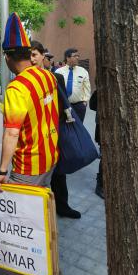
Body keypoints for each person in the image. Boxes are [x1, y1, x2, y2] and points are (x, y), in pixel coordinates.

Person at [0, 13, 60, 191]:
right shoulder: (48, 76)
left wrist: (2, 170)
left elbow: (12, 134)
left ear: (8, 57)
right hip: (50, 156)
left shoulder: (16, 88)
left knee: (23, 215)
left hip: (28, 166)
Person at [30, 40, 81, 219]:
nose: (32, 59)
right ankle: (36, 212)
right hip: (33, 138)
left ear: (43, 56)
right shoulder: (22, 79)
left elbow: (63, 104)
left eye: (35, 54)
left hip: (54, 133)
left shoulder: (55, 77)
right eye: (29, 55)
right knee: (36, 176)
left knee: (59, 174)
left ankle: (62, 206)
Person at [55, 48, 91, 122]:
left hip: (79, 106)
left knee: (79, 129)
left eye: (78, 56)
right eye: (75, 56)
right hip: (64, 106)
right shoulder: (59, 72)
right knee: (65, 129)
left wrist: (85, 102)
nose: (77, 58)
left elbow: (87, 88)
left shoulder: (83, 71)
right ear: (67, 58)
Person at [90, 89, 104, 199]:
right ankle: (100, 185)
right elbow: (92, 105)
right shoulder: (102, 90)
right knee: (105, 157)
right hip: (103, 128)